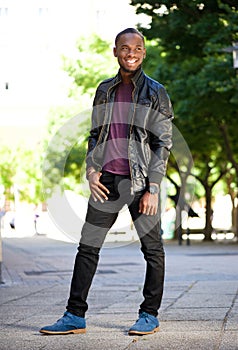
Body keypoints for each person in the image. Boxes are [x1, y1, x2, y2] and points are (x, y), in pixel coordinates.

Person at [40, 27, 173, 336]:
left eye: (138, 48)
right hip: (106, 181)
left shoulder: (156, 92)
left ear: (143, 52)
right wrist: (91, 170)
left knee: (152, 251)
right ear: (116, 51)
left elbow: (163, 142)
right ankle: (74, 316)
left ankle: (149, 314)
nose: (132, 53)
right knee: (87, 248)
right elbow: (95, 135)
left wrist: (153, 187)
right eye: (125, 48)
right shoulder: (104, 90)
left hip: (141, 182)